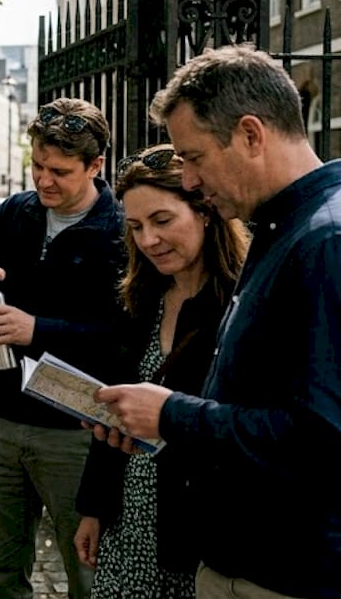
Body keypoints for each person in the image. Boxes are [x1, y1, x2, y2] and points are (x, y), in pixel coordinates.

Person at [96, 45, 341, 599]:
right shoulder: (281, 226)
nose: (187, 179)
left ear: (251, 134)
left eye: (194, 156)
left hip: (288, 573)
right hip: (239, 558)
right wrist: (158, 427)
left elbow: (322, 438)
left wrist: (175, 416)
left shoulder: (325, 241)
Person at [0, 97, 125, 599]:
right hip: (0, 418)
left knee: (90, 576)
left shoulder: (121, 232)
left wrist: (36, 330)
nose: (44, 181)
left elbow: (124, 340)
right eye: (37, 166)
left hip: (75, 430)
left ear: (95, 166)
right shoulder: (17, 211)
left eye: (59, 171)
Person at [71, 144, 248, 598]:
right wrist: (93, 508)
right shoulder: (139, 301)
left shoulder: (241, 303)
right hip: (126, 522)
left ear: (205, 213)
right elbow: (116, 408)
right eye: (135, 227)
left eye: (162, 221)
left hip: (196, 535)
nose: (148, 239)